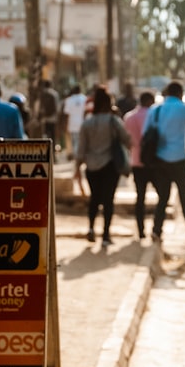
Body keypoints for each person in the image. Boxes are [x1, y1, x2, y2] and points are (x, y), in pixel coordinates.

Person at [143, 80, 185, 245]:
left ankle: (156, 231)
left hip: (160, 161)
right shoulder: (182, 108)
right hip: (179, 160)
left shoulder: (156, 110)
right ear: (180, 94)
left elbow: (146, 133)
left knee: (163, 198)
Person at [74, 86, 131, 247]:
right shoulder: (114, 121)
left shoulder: (87, 123)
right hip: (110, 166)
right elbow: (127, 140)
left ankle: (91, 228)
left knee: (94, 198)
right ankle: (106, 235)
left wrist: (77, 169)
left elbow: (81, 149)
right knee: (108, 200)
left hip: (91, 167)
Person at [123, 90, 156, 239]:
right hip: (153, 163)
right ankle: (156, 228)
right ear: (149, 101)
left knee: (140, 198)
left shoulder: (129, 117)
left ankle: (141, 231)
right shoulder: (153, 115)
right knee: (162, 195)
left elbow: (126, 140)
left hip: (136, 162)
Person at [39, 79, 61, 147]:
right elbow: (57, 107)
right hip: (53, 118)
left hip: (45, 118)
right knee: (53, 135)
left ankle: (48, 148)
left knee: (46, 135)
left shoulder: (42, 94)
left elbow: (40, 106)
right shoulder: (54, 94)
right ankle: (53, 150)